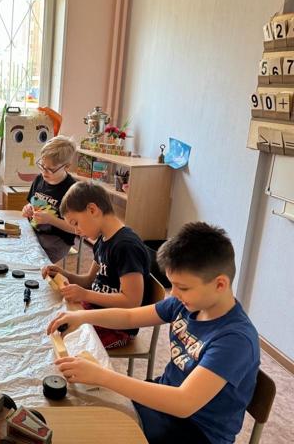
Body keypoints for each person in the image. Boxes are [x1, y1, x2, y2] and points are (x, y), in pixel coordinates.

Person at [47, 222, 259, 444]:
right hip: (163, 403)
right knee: (83, 414)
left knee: (93, 428)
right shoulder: (185, 304)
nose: (173, 293)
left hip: (196, 431)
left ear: (220, 284)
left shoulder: (235, 341)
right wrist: (82, 317)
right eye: (172, 285)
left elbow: (184, 403)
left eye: (183, 287)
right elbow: (130, 317)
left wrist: (102, 376)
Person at [41, 181, 149, 349]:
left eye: (75, 223)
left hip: (118, 327)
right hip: (95, 311)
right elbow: (89, 281)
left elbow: (131, 301)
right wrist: (64, 274)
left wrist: (85, 295)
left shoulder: (126, 246)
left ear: (92, 210)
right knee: (51, 320)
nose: (76, 231)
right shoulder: (102, 240)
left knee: (66, 342)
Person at [21, 135, 78, 263]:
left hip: (56, 241)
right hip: (34, 233)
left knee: (31, 264)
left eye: (51, 169)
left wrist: (51, 220)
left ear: (67, 166)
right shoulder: (39, 179)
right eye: (42, 165)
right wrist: (28, 209)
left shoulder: (72, 190)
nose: (44, 172)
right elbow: (32, 204)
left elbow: (77, 229)